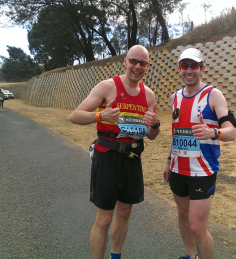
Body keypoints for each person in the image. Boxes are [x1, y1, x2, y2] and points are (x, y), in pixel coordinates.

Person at [70, 45, 160, 259]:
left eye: (143, 63)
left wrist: (155, 125)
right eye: (134, 61)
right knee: (103, 219)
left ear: (147, 66)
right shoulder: (107, 86)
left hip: (132, 158)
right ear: (125, 61)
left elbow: (151, 135)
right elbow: (75, 116)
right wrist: (101, 117)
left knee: (124, 213)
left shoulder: (148, 95)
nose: (137, 66)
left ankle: (116, 256)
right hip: (107, 156)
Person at [163, 48, 236, 259]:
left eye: (193, 66)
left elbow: (231, 132)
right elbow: (177, 133)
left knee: (197, 227)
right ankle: (190, 256)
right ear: (179, 69)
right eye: (184, 66)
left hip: (202, 171)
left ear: (202, 69)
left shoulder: (213, 94)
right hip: (178, 169)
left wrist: (213, 132)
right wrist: (169, 161)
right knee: (183, 216)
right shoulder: (174, 98)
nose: (189, 70)